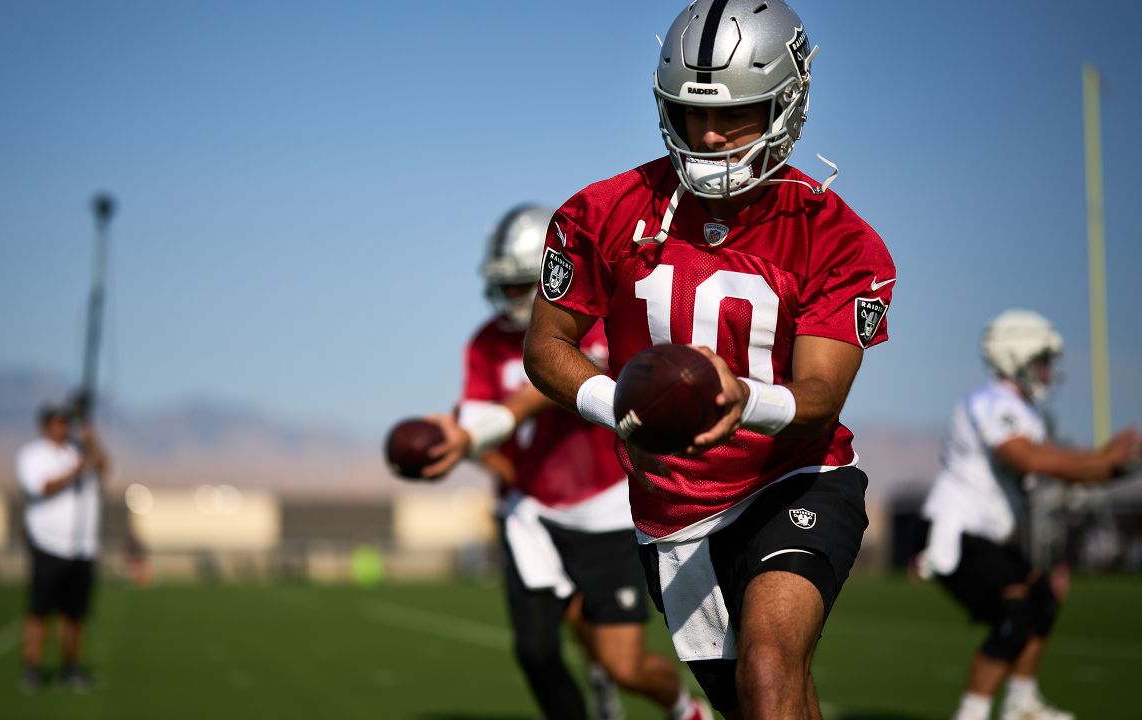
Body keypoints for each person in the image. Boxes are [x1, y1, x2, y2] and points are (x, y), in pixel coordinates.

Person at [522, 1, 896, 717]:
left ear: (788, 103)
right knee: (760, 699)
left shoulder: (838, 237)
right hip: (672, 509)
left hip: (794, 476)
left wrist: (743, 401)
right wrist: (619, 409)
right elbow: (547, 347)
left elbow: (820, 393)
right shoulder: (600, 212)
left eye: (738, 113)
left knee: (767, 665)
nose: (711, 135)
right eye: (692, 115)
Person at [422, 205, 710, 720]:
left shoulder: (591, 323)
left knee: (623, 665)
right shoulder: (487, 343)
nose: (510, 297)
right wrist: (455, 445)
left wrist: (497, 419)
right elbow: (481, 431)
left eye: (519, 285)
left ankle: (682, 706)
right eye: (504, 286)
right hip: (534, 514)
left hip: (606, 510)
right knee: (535, 651)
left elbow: (553, 383)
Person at [919, 310, 1141, 720]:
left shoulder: (1025, 413)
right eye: (1042, 361)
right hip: (957, 529)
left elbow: (1051, 468)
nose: (1047, 371)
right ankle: (972, 713)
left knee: (1042, 602)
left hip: (989, 534)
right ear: (1015, 356)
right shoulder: (992, 403)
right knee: (1017, 608)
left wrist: (1109, 466)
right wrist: (1100, 461)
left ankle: (1022, 704)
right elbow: (1024, 458)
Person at [15, 403, 108, 692]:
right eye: (57, 423)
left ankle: (71, 667)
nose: (63, 428)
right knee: (39, 610)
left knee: (74, 613)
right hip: (47, 543)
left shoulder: (80, 452)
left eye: (66, 423)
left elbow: (105, 468)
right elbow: (40, 487)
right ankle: (32, 668)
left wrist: (91, 440)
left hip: (81, 546)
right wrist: (74, 473)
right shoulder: (33, 455)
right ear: (45, 426)